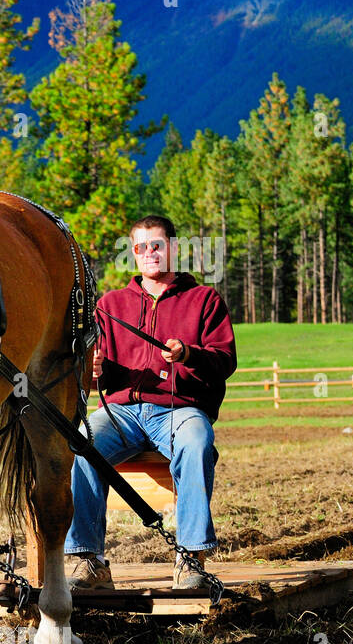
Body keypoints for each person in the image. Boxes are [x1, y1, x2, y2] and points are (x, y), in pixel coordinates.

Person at [67, 215, 237, 591]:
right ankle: (89, 560)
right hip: (122, 412)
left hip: (179, 411)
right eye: (141, 247)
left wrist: (189, 355)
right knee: (82, 443)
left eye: (157, 245)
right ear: (133, 253)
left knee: (196, 442)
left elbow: (225, 361)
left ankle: (190, 559)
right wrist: (93, 368)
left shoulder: (204, 300)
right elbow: (98, 376)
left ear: (173, 248)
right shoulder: (111, 305)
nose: (149, 254)